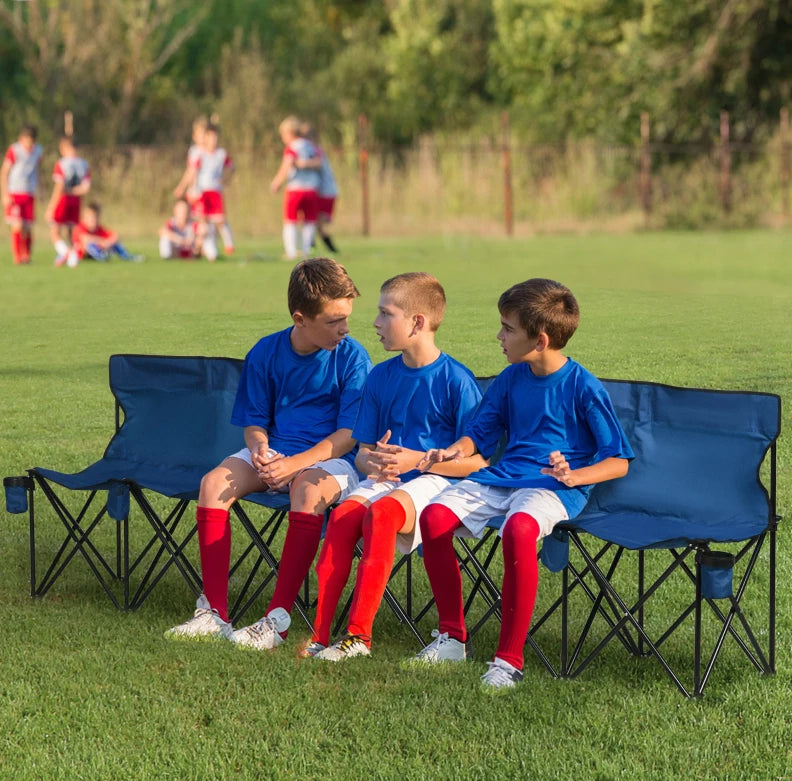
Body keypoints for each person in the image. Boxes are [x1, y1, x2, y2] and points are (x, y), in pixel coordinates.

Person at [411, 278, 633, 689]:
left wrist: (575, 475)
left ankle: (507, 661)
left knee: (519, 529)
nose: (499, 336)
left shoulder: (584, 386)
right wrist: (453, 451)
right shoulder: (511, 378)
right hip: (504, 476)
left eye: (508, 329)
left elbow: (618, 461)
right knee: (435, 516)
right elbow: (480, 433)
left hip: (552, 486)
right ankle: (453, 637)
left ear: (541, 340)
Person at [165, 257, 373, 649]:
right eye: (333, 320)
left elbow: (349, 435)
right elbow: (254, 421)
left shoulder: (352, 357)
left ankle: (275, 621)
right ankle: (214, 613)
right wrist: (260, 449)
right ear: (300, 318)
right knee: (212, 484)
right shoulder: (266, 352)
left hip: (333, 461)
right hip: (277, 455)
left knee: (308, 490)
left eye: (347, 318)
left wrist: (295, 465)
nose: (344, 329)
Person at [306, 272, 486, 661]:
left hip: (437, 481)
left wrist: (419, 461)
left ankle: (359, 637)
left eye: (386, 314)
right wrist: (371, 460)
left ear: (417, 322)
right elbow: (362, 451)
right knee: (342, 519)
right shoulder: (381, 376)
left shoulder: (457, 380)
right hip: (387, 479)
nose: (375, 323)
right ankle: (320, 634)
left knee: (383, 515)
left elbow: (478, 463)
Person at [270, 116, 320, 260]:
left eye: (283, 135)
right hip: (311, 189)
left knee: (290, 220)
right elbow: (318, 162)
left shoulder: (292, 148)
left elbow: (287, 165)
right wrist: (305, 163)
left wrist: (277, 182)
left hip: (295, 189)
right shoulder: (310, 146)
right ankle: (305, 250)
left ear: (289, 133)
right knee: (309, 221)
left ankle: (291, 252)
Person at [182, 122, 235, 256]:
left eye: (215, 138)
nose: (213, 141)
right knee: (202, 220)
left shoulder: (221, 154)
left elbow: (231, 168)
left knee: (220, 219)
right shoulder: (200, 153)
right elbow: (192, 172)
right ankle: (203, 248)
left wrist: (226, 179)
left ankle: (229, 244)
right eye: (210, 138)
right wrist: (190, 189)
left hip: (215, 191)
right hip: (202, 192)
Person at [0, 124, 43, 265]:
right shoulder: (14, 150)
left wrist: (41, 190)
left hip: (29, 192)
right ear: (21, 138)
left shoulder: (38, 151)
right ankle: (17, 257)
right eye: (27, 140)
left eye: (32, 141)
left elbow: (38, 171)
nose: (29, 144)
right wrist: (4, 194)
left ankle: (27, 255)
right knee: (17, 224)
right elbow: (4, 172)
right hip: (14, 192)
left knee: (28, 226)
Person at [45, 136, 91, 267]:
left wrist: (51, 207)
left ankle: (66, 253)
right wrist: (74, 191)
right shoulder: (84, 164)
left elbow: (59, 187)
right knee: (72, 231)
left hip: (63, 200)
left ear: (63, 148)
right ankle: (72, 259)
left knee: (54, 231)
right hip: (76, 201)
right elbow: (85, 189)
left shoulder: (62, 163)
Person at [300, 123, 339, 253]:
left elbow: (318, 163)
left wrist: (300, 163)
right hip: (322, 191)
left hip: (325, 191)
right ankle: (313, 247)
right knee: (313, 222)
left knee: (317, 223)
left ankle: (328, 250)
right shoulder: (312, 148)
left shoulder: (315, 149)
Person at [70, 202, 142, 265]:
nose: (93, 220)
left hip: (100, 250)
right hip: (83, 255)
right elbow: (85, 238)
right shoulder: (79, 228)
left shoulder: (99, 229)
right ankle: (102, 257)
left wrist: (107, 243)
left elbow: (115, 236)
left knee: (115, 244)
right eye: (91, 218)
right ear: (84, 218)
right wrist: (102, 242)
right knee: (90, 245)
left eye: (95, 217)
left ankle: (127, 257)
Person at [173, 115, 208, 220]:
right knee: (194, 219)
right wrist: (182, 186)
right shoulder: (195, 151)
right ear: (195, 136)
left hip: (205, 191)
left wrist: (181, 187)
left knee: (204, 219)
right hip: (195, 191)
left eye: (205, 134)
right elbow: (190, 171)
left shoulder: (210, 152)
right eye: (200, 134)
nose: (203, 137)